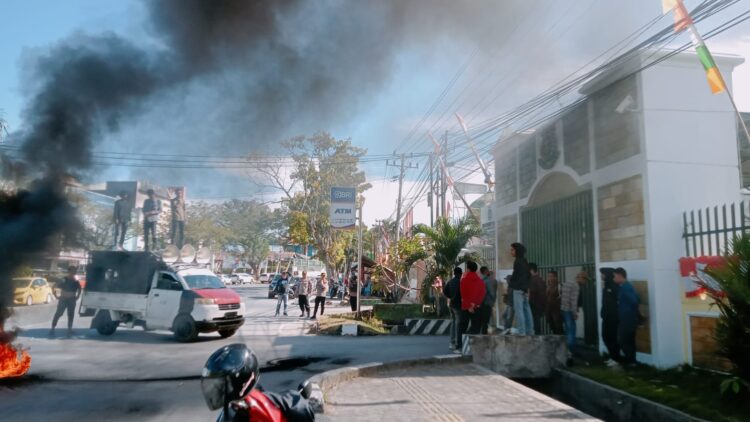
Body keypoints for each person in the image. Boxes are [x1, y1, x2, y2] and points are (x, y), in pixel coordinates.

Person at [200, 343, 314, 422]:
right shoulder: (234, 409)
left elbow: (300, 407)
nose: (218, 389)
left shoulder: (275, 403)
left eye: (223, 384)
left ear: (241, 381)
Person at [614, 267, 639, 366]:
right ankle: (632, 362)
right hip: (627, 318)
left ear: (620, 276)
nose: (614, 279)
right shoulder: (625, 286)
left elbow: (635, 301)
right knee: (628, 340)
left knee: (623, 340)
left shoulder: (626, 287)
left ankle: (631, 362)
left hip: (627, 318)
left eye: (615, 276)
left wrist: (627, 311)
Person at [561, 271, 588, 360]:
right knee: (572, 331)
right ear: (581, 278)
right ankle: (571, 351)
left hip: (563, 309)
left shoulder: (567, 282)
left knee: (567, 331)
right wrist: (574, 313)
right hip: (569, 311)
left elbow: (563, 296)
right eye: (585, 280)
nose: (585, 283)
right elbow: (573, 301)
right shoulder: (576, 286)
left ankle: (566, 351)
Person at [50, 266, 82, 338]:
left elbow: (79, 288)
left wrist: (78, 296)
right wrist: (55, 295)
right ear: (69, 271)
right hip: (63, 300)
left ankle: (69, 329)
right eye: (73, 271)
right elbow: (53, 286)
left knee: (71, 314)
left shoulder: (76, 280)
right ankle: (52, 328)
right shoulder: (64, 279)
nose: (74, 273)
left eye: (75, 271)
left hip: (72, 300)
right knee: (58, 314)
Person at [509, 243, 534, 335]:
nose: (510, 252)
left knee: (519, 310)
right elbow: (528, 276)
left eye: (512, 250)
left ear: (517, 250)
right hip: (525, 289)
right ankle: (530, 330)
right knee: (527, 310)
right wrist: (526, 288)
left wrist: (511, 282)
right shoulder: (524, 261)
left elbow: (516, 276)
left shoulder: (517, 261)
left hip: (518, 289)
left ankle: (521, 331)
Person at [600, 267, 621, 366]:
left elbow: (618, 300)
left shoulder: (614, 285)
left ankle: (615, 358)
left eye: (603, 274)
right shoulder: (606, 285)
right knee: (605, 336)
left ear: (608, 274)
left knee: (612, 337)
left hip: (613, 317)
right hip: (606, 316)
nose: (602, 276)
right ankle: (611, 356)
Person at [460, 261, 486, 335]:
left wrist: (469, 306)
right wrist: (474, 304)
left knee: (462, 328)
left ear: (468, 269)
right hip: (476, 307)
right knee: (475, 328)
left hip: (465, 307)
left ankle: (461, 344)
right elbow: (482, 295)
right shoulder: (481, 282)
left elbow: (463, 294)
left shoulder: (463, 280)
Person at [442, 267, 463, 351]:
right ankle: (458, 343)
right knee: (458, 324)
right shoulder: (460, 282)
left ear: (454, 273)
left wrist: (450, 297)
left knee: (453, 323)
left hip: (451, 304)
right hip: (458, 305)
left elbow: (444, 292)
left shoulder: (450, 282)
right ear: (460, 274)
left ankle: (452, 342)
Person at [528, 263, 547, 335]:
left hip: (534, 306)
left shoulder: (533, 280)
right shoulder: (540, 280)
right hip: (539, 306)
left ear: (531, 270)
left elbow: (532, 294)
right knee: (536, 324)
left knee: (535, 325)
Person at [479, 266, 498, 334]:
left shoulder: (481, 280)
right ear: (486, 271)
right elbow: (492, 293)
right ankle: (484, 335)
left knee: (483, 321)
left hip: (482, 303)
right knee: (485, 321)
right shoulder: (489, 281)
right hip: (486, 303)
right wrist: (493, 301)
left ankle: (483, 334)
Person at [545, 270, 564, 335]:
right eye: (548, 276)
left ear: (556, 277)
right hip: (549, 311)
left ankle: (562, 341)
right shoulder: (548, 286)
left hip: (557, 311)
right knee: (552, 327)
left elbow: (562, 298)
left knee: (558, 327)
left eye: (551, 276)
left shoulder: (559, 286)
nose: (549, 278)